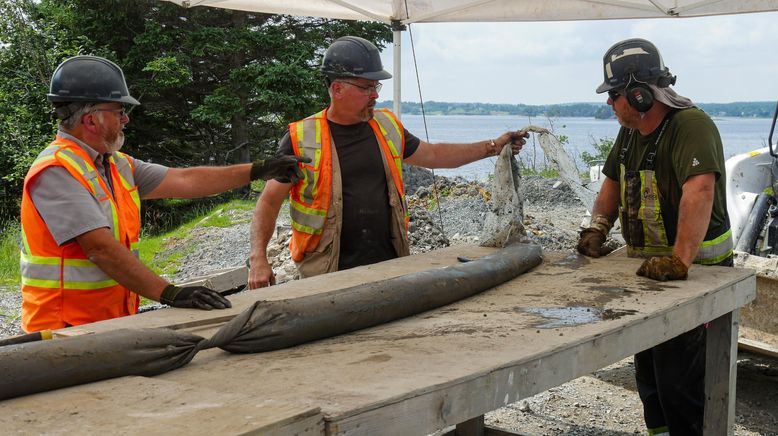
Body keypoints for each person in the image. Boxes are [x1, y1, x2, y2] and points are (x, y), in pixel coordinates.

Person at [20, 55, 308, 333]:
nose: (126, 120)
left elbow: (185, 180)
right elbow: (100, 249)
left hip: (106, 323)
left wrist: (258, 169)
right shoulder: (56, 170)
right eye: (119, 111)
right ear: (91, 120)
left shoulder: (116, 164)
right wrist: (170, 294)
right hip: (62, 330)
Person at [248, 36, 528, 287]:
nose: (375, 94)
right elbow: (269, 202)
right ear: (337, 88)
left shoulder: (386, 126)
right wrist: (259, 259)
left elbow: (434, 155)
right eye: (366, 87)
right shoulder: (301, 137)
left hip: (390, 265)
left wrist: (493, 147)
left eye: (376, 86)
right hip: (326, 273)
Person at [577, 38, 733, 435]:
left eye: (614, 95)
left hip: (698, 273)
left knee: (680, 385)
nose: (609, 104)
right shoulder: (630, 132)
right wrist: (598, 227)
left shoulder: (691, 126)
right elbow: (613, 180)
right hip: (649, 275)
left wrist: (680, 260)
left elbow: (700, 190)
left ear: (639, 94)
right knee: (650, 380)